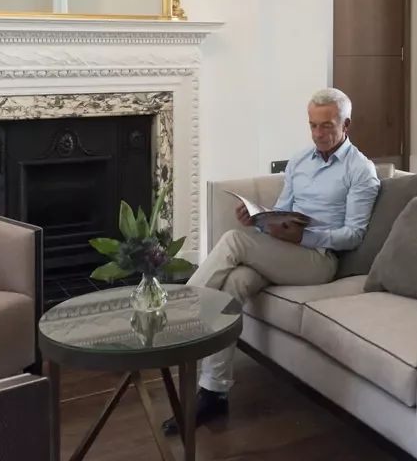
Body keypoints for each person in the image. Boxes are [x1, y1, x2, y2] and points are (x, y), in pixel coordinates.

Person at [163, 87, 380, 435]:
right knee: (235, 284)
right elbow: (282, 209)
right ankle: (213, 394)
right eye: (312, 125)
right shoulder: (299, 162)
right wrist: (259, 220)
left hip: (319, 261)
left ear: (346, 124)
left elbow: (354, 234)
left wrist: (305, 237)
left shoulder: (361, 170)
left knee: (233, 241)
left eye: (326, 126)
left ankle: (178, 312)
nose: (318, 134)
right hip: (287, 252)